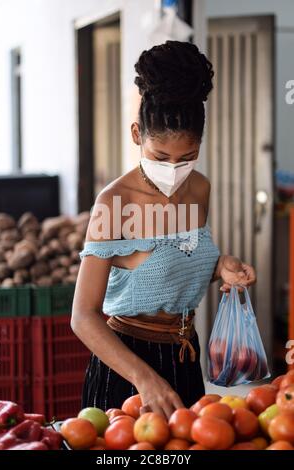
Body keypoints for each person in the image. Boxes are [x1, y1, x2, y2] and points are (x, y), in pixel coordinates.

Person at [71, 40, 256, 419]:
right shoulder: (114, 203)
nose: (174, 169)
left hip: (185, 355)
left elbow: (180, 262)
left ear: (200, 145)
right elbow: (83, 316)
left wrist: (221, 266)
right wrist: (145, 379)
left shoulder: (200, 189)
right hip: (126, 367)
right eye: (160, 157)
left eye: (187, 158)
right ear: (137, 134)